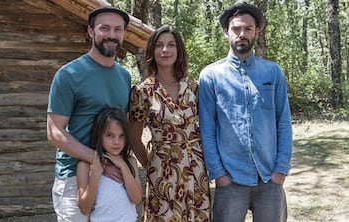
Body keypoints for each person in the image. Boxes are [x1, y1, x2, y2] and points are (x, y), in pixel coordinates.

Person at [198, 1, 293, 222]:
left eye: (248, 29)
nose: (242, 34)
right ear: (226, 32)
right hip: (230, 179)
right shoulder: (211, 76)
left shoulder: (273, 72)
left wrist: (281, 169)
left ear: (256, 32)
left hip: (270, 177)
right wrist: (218, 174)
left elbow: (283, 122)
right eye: (236, 29)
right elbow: (208, 129)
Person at [46, 5, 131, 222]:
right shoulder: (69, 74)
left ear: (124, 34)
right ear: (91, 32)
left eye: (118, 30)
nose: (112, 35)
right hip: (74, 175)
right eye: (105, 28)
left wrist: (118, 164)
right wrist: (97, 159)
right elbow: (54, 132)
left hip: (112, 177)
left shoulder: (124, 77)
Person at [129, 25, 212, 222]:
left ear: (179, 50)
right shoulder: (143, 91)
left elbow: (208, 128)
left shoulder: (193, 87)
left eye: (171, 45)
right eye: (159, 45)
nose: (165, 50)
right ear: (152, 51)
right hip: (162, 171)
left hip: (196, 169)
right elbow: (133, 138)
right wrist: (151, 165)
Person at [76, 108, 143, 221]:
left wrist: (123, 167)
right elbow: (85, 208)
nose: (116, 142)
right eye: (110, 135)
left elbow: (137, 199)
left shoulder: (130, 162)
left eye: (121, 136)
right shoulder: (85, 166)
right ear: (99, 135)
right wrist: (95, 175)